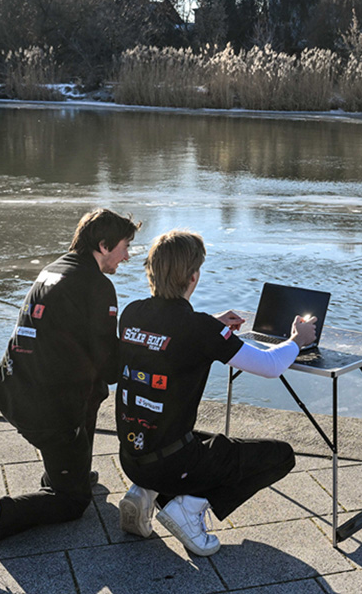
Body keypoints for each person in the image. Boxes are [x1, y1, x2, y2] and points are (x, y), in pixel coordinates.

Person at [0, 208, 141, 556]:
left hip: (10, 387)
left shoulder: (55, 268)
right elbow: (109, 366)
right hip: (45, 408)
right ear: (104, 245)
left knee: (92, 390)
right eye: (125, 247)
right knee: (72, 501)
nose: (127, 256)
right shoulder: (97, 286)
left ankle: (69, 469)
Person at [114, 229, 316, 556]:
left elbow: (168, 335)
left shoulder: (132, 313)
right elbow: (270, 365)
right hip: (173, 463)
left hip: (130, 457)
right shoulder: (200, 330)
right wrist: (297, 340)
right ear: (193, 277)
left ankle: (145, 491)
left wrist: (213, 325)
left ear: (151, 271)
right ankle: (188, 508)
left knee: (194, 440)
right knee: (280, 456)